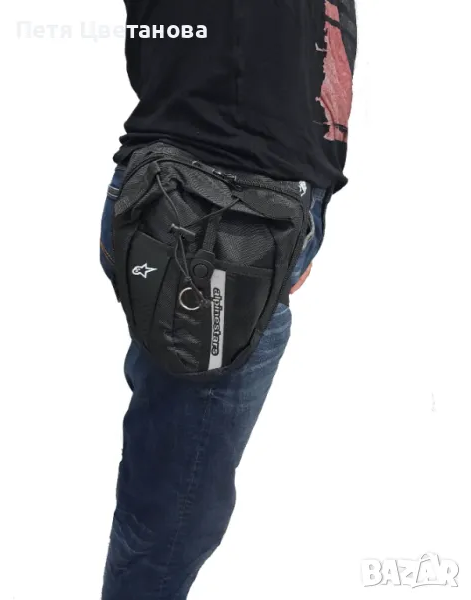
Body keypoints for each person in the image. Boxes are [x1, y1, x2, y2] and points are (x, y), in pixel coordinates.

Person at [99, 1, 357, 598]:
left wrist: (306, 212)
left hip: (256, 206)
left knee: (175, 485)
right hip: (213, 207)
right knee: (174, 511)